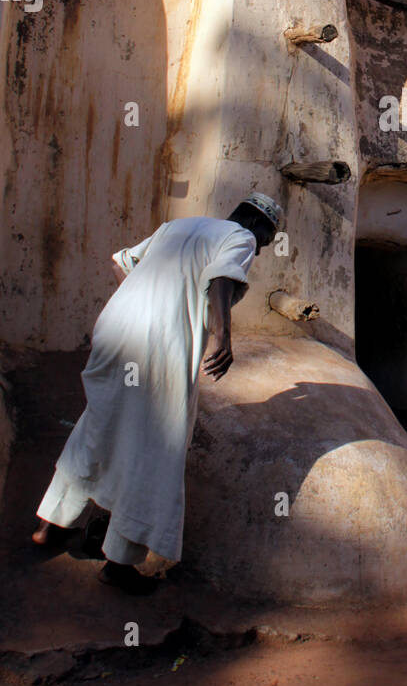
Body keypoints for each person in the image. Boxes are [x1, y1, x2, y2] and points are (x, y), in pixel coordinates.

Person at [31, 193, 281, 594]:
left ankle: (51, 526)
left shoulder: (179, 225)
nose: (261, 251)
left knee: (98, 426)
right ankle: (119, 563)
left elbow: (121, 262)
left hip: (114, 331)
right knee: (157, 449)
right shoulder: (242, 238)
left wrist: (145, 304)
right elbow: (221, 279)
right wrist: (223, 336)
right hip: (159, 347)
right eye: (266, 243)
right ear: (260, 228)